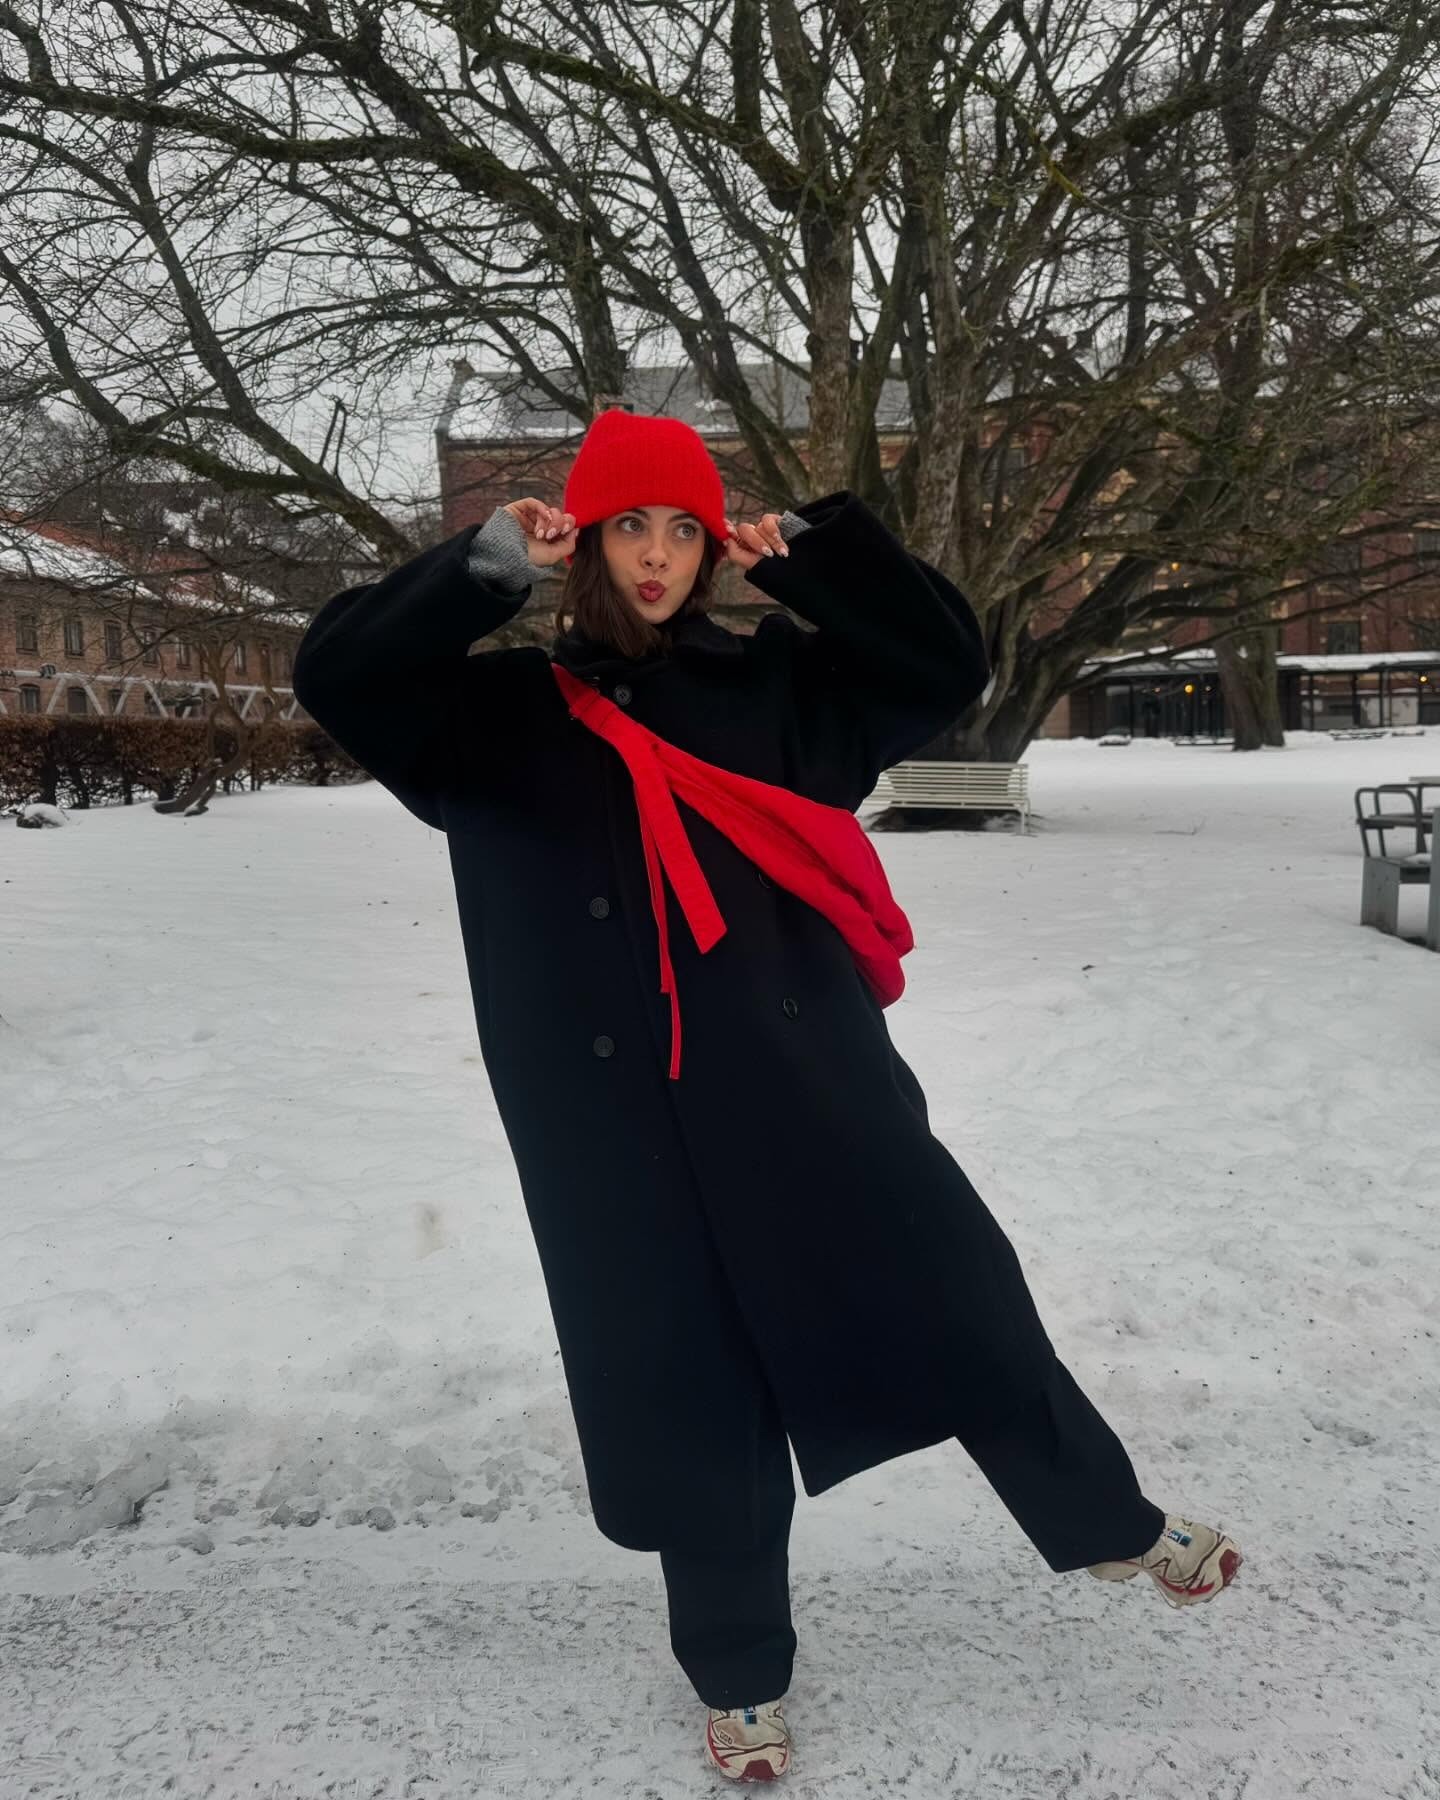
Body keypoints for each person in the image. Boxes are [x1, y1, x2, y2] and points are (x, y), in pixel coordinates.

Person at [292, 408, 1242, 1785]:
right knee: (694, 1398)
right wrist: (481, 566)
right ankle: (739, 1679)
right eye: (631, 526)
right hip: (614, 1131)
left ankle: (1106, 1523)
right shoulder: (486, 721)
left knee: (956, 1294)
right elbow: (338, 675)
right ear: (586, 540)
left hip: (808, 1090)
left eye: (683, 530)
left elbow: (941, 662)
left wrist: (814, 556)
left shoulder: (782, 690)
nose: (659, 556)